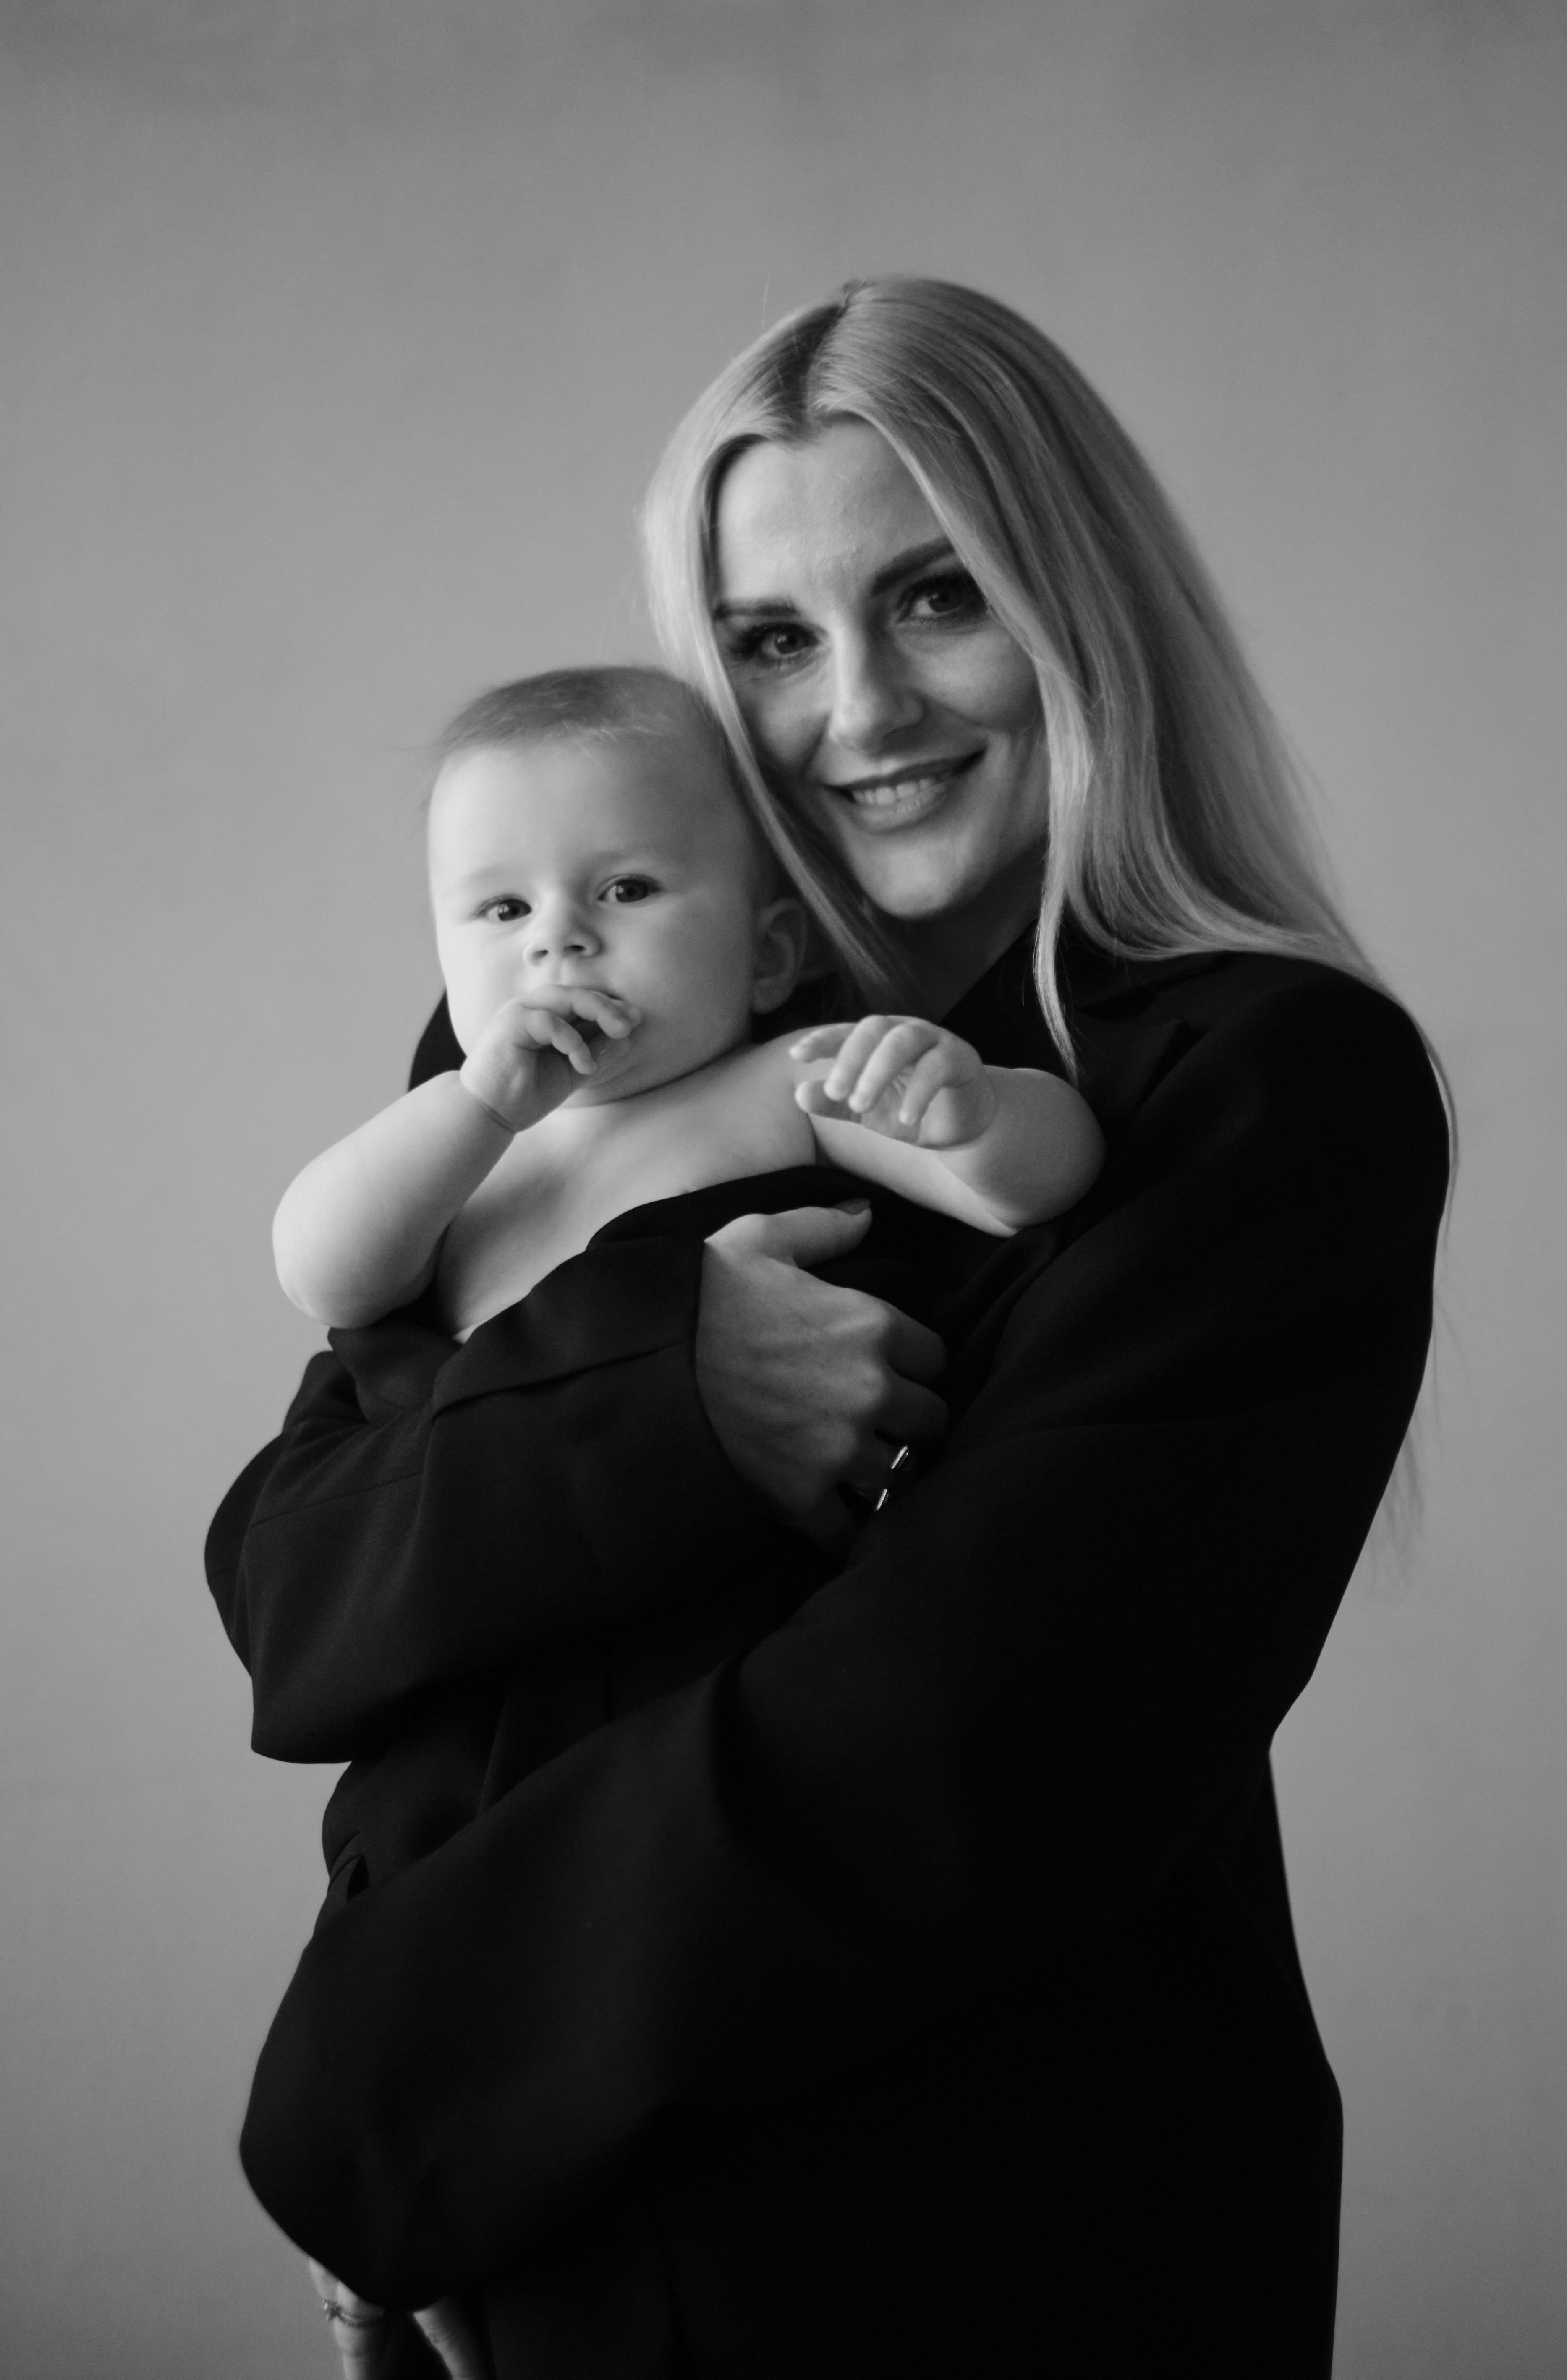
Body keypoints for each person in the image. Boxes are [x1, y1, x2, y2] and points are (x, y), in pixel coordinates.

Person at [207, 276, 1451, 2380]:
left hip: (985, 2251)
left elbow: (954, 1754)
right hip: (531, 2248)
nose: (859, 708)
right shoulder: (570, 1042)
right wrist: (672, 1398)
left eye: (937, 595)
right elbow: (300, 1589)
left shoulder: (1253, 1082)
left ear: (1079, 607)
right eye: (776, 639)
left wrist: (383, 2101)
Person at [273, 665, 1105, 1345]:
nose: (555, 939)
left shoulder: (791, 1082)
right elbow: (326, 1282)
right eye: (504, 910)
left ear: (768, 955)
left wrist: (979, 1112)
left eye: (625, 889)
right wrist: (476, 1109)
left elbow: (1043, 1186)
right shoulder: (457, 1143)